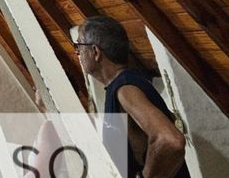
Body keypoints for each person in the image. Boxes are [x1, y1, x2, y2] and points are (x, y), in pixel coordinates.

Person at [75, 16, 188, 178]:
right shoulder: (120, 85)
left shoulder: (126, 88)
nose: (77, 53)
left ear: (95, 52)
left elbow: (170, 140)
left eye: (79, 45)